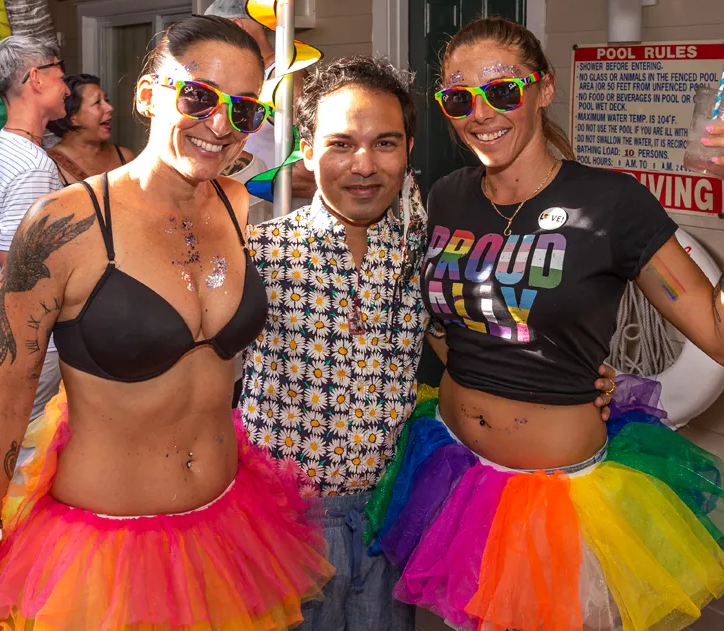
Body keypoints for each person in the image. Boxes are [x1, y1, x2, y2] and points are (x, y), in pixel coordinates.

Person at [0, 16, 331, 631]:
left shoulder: (240, 206)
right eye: (199, 96)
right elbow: (0, 410)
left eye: (244, 109)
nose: (221, 125)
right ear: (147, 95)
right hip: (102, 555)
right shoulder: (63, 226)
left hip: (228, 530)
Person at [366, 17, 724, 630]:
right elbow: (448, 317)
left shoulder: (611, 204)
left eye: (502, 90)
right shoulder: (446, 195)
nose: (480, 114)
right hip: (453, 467)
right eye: (459, 98)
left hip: (561, 498)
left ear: (544, 88)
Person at [239, 55, 616, 631]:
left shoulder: (430, 249)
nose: (364, 165)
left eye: (385, 143)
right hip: (285, 524)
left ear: (409, 149)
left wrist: (566, 372)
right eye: (341, 144)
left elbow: (477, 326)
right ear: (307, 150)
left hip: (395, 514)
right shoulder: (258, 253)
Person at [0, 35, 69, 428]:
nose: (66, 87)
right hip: (33, 335)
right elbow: (18, 268)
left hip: (9, 327)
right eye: (61, 75)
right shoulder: (31, 166)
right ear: (36, 78)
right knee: (30, 444)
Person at [205, 0, 316, 223]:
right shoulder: (244, 77)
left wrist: (253, 181)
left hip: (280, 216)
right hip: (248, 207)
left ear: (236, 26)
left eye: (214, 35)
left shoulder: (282, 74)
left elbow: (307, 158)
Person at [45, 74, 134, 184]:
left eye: (106, 100)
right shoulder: (49, 165)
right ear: (72, 116)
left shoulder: (125, 158)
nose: (110, 108)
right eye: (97, 102)